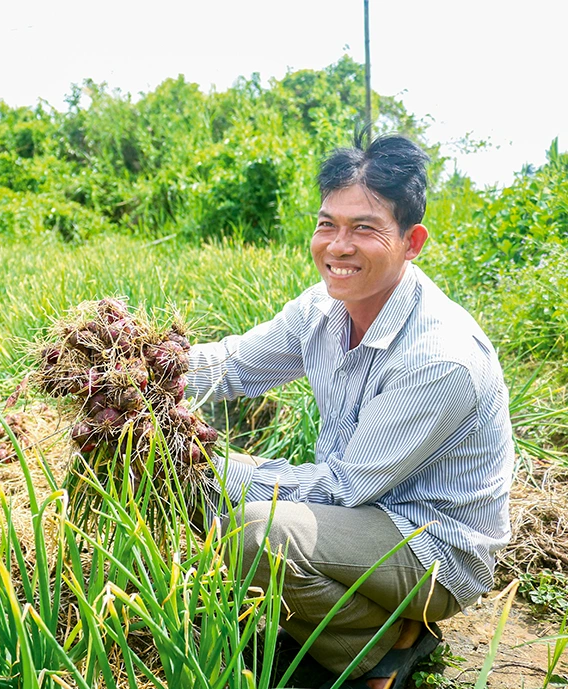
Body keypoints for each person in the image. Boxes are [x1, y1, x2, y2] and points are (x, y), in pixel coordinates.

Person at [186, 135, 513, 689]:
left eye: (364, 228)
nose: (338, 246)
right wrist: (137, 371)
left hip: (433, 546)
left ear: (412, 242)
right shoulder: (323, 307)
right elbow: (234, 365)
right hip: (360, 512)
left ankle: (377, 645)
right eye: (326, 225)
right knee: (170, 478)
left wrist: (207, 465)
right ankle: (347, 615)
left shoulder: (440, 359)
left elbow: (341, 490)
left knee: (253, 534)